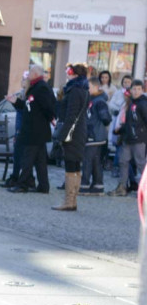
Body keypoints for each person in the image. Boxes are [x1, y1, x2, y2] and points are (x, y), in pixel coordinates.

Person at [9, 64, 56, 194]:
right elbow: (28, 105)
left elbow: (48, 107)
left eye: (30, 72)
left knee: (28, 158)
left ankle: (22, 184)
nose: (28, 74)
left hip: (36, 130)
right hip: (33, 129)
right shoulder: (35, 87)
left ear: (35, 74)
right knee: (40, 160)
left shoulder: (41, 88)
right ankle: (43, 185)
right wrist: (15, 102)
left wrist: (50, 118)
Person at [52, 63, 89, 210]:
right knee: (75, 166)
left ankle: (69, 201)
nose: (67, 75)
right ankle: (72, 200)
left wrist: (61, 136)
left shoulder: (74, 91)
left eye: (69, 72)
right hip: (79, 131)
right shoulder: (84, 90)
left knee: (70, 165)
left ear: (75, 75)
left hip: (72, 133)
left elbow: (71, 115)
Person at [108, 80, 147, 197]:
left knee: (141, 164)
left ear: (142, 90)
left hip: (139, 139)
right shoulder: (130, 103)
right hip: (128, 138)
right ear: (130, 90)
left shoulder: (143, 104)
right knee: (123, 161)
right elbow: (130, 122)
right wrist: (120, 129)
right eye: (134, 89)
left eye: (138, 89)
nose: (136, 91)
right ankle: (122, 187)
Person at [81, 77, 112, 195]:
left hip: (94, 135)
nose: (86, 89)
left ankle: (84, 185)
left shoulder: (99, 101)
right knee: (95, 161)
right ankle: (98, 185)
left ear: (95, 87)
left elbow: (106, 118)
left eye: (88, 87)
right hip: (94, 134)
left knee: (88, 160)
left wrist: (94, 126)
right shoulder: (92, 99)